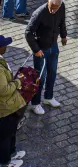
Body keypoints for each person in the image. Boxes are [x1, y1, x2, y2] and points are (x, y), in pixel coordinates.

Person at [25, 0, 67, 114]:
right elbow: (28, 32)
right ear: (48, 2)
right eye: (50, 7)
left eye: (54, 8)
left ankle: (48, 97)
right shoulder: (39, 13)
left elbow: (62, 21)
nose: (52, 10)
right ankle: (35, 103)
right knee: (40, 77)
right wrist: (36, 50)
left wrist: (63, 35)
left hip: (53, 47)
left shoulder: (61, 6)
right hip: (41, 49)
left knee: (52, 73)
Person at [0, 34, 27, 167]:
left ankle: (11, 152)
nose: (6, 46)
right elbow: (3, 90)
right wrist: (18, 82)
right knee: (5, 136)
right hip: (5, 108)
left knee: (11, 132)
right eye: (4, 45)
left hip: (9, 104)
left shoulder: (1, 59)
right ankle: (5, 162)